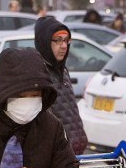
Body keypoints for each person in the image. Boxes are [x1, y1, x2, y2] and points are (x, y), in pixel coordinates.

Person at [34, 16, 88, 155]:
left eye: (66, 40)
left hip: (75, 150)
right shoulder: (38, 73)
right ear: (45, 42)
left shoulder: (62, 70)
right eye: (58, 40)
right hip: (58, 153)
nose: (64, 46)